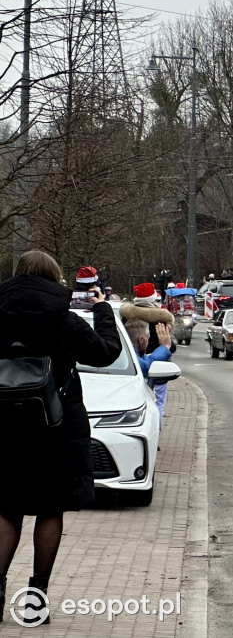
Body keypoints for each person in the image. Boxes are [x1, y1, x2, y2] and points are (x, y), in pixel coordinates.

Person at [0, 250, 122, 622]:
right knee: (50, 508)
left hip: (6, 427)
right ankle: (36, 598)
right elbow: (106, 355)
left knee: (6, 508)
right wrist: (103, 312)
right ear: (54, 278)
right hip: (56, 426)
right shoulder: (64, 319)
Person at [121, 283, 174, 429]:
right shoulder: (161, 318)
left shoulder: (126, 317)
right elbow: (171, 345)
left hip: (132, 363)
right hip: (159, 366)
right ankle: (155, 434)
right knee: (159, 403)